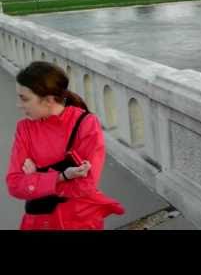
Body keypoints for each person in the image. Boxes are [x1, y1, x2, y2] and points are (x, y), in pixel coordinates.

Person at [6, 61, 125, 230]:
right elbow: (14, 185)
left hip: (79, 220)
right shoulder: (24, 128)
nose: (19, 105)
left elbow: (86, 185)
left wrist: (38, 177)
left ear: (48, 100)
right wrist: (63, 176)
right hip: (40, 220)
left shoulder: (86, 123)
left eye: (24, 98)